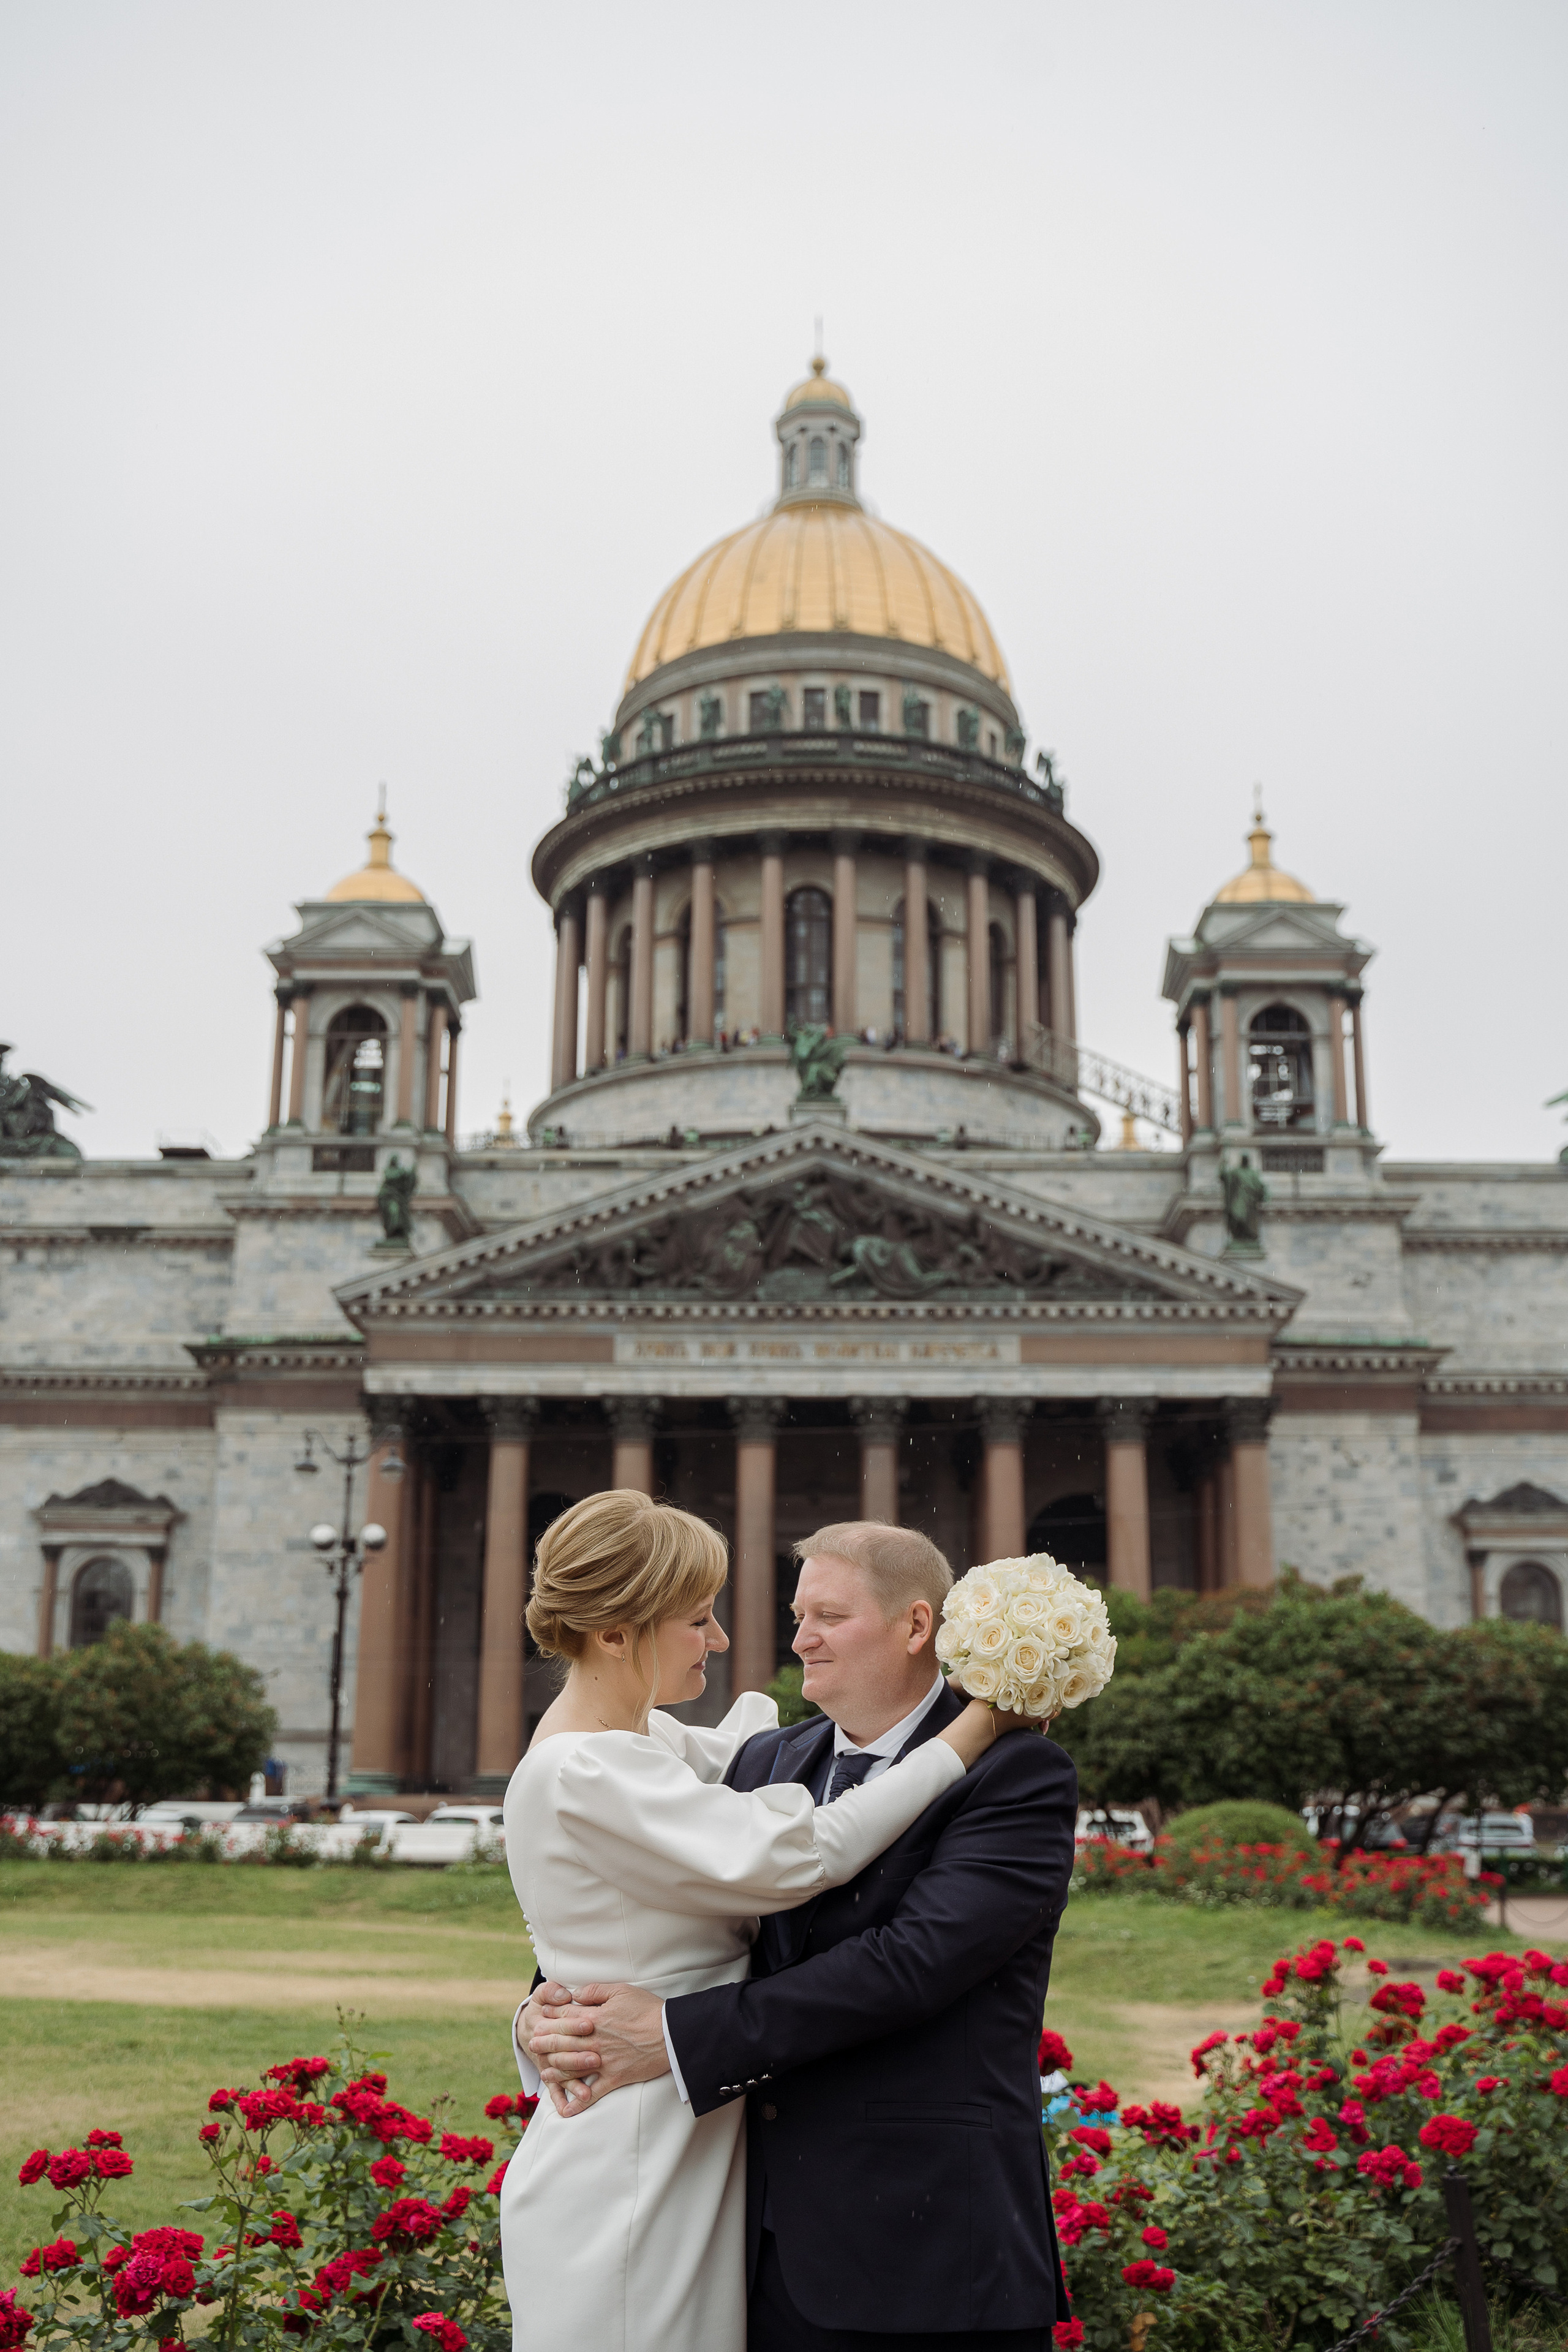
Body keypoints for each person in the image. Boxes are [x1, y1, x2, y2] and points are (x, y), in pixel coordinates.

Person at [524, 1518, 1079, 2351]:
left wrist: (672, 2036)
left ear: (917, 1626)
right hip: (755, 2244)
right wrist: (544, 2012)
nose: (797, 1640)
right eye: (796, 1614)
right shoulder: (766, 1762)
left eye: (826, 1617)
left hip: (928, 2251)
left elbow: (908, 1968)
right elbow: (629, 1898)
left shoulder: (1016, 1774)